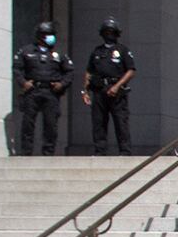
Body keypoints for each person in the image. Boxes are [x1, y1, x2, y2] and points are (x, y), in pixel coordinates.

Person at [13, 20, 73, 156]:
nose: (50, 37)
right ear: (40, 36)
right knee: (28, 123)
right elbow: (17, 69)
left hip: (51, 92)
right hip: (32, 91)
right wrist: (23, 82)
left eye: (51, 34)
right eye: (47, 34)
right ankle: (26, 152)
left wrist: (62, 84)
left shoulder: (59, 53)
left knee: (51, 124)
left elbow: (69, 71)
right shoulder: (26, 51)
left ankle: (48, 152)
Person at [82, 16, 138, 156]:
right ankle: (100, 151)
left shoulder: (123, 50)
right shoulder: (97, 51)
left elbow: (131, 71)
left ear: (117, 33)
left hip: (116, 91)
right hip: (99, 90)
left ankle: (124, 151)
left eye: (112, 32)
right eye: (106, 32)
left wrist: (117, 86)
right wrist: (85, 91)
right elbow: (89, 72)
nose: (109, 35)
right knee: (99, 122)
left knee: (121, 121)